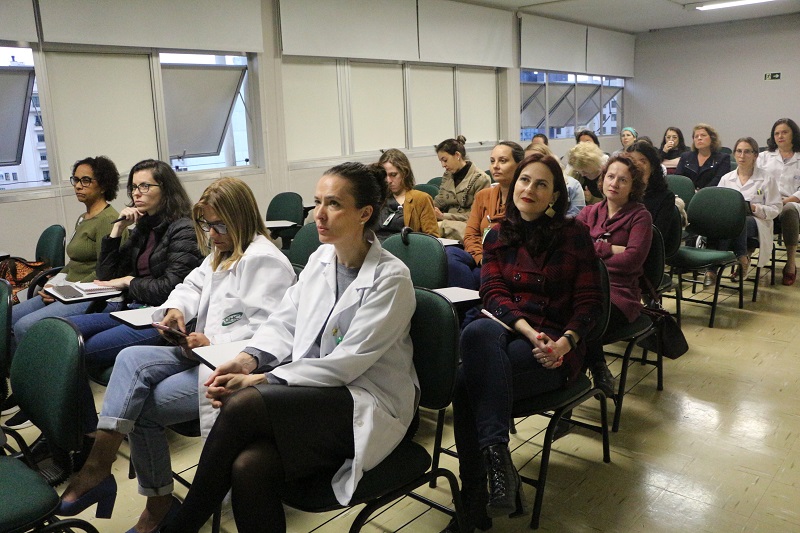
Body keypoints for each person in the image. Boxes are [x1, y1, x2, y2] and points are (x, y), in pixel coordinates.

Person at [158, 162, 418, 533]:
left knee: (244, 402)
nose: (319, 214)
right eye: (317, 201)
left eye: (333, 204)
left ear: (364, 213)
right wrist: (247, 360)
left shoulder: (391, 278)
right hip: (313, 397)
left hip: (365, 401)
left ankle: (181, 527)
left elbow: (345, 364)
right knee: (249, 465)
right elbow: (284, 320)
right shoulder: (321, 259)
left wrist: (263, 380)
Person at [55, 178, 296, 533]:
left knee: (142, 410)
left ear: (241, 219)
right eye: (207, 225)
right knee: (130, 357)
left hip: (234, 366)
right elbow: (190, 286)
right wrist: (176, 311)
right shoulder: (222, 250)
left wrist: (212, 339)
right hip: (204, 352)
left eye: (219, 226)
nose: (211, 234)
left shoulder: (264, 260)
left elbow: (270, 334)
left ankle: (154, 502)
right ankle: (100, 465)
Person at [443, 152, 602, 533]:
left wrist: (565, 342)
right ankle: (498, 463)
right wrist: (528, 330)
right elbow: (492, 292)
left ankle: (475, 497)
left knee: (465, 384)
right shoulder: (498, 233)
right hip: (513, 329)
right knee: (477, 332)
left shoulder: (574, 234)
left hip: (554, 348)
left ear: (555, 196)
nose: (529, 189)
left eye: (541, 184)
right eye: (525, 180)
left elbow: (590, 302)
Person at [4, 156, 121, 430]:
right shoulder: (85, 217)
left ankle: (38, 397)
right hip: (69, 289)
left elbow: (106, 272)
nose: (78, 186)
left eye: (86, 181)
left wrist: (64, 291)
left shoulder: (109, 220)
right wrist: (53, 284)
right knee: (9, 318)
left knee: (26, 327)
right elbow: (73, 264)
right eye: (75, 180)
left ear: (103, 184)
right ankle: (24, 391)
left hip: (91, 294)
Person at [67, 159, 204, 372]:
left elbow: (169, 289)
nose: (136, 193)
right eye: (133, 187)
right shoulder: (144, 226)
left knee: (79, 349)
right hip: (133, 310)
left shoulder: (183, 230)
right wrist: (118, 229)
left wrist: (129, 282)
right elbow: (106, 275)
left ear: (165, 190)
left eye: (144, 186)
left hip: (160, 318)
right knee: (64, 332)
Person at [577, 154, 653, 396]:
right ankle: (596, 367)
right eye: (610, 176)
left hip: (621, 295)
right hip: (585, 288)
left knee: (581, 319)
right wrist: (611, 249)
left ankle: (581, 380)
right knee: (567, 314)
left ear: (633, 186)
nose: (614, 183)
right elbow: (572, 250)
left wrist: (594, 250)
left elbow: (632, 260)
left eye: (623, 180)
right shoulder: (588, 213)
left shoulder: (640, 216)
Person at [703, 138, 781, 287]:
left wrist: (755, 208)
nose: (742, 155)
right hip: (729, 222)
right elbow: (717, 204)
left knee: (738, 220)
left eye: (747, 152)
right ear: (734, 154)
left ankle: (712, 269)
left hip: (756, 221)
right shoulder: (727, 179)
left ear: (755, 155)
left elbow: (776, 208)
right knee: (726, 221)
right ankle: (742, 257)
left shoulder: (767, 178)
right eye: (739, 151)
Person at [447, 141, 524, 289]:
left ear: (519, 165)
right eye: (492, 161)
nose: (495, 166)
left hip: (506, 259)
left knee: (477, 275)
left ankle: (473, 299)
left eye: (503, 161)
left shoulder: (525, 198)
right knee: (450, 254)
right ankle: (473, 297)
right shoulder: (483, 196)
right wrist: (480, 257)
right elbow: (471, 234)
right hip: (481, 256)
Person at [757, 118, 800, 285]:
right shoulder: (764, 157)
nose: (780, 136)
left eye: (784, 132)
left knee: (789, 210)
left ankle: (791, 263)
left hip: (793, 203)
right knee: (751, 210)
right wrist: (766, 198)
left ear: (793, 134)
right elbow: (756, 181)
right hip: (766, 200)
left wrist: (786, 200)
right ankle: (744, 259)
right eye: (776, 133)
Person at [433, 136, 491, 240]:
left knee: (437, 227)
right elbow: (440, 200)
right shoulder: (448, 175)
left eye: (445, 160)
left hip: (467, 225)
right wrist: (425, 208)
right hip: (447, 222)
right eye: (441, 161)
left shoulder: (481, 179)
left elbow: (476, 215)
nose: (443, 165)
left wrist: (443, 216)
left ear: (457, 155)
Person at [375, 148, 439, 239]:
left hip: (404, 246)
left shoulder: (421, 199)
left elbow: (432, 239)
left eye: (393, 175)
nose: (388, 180)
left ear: (404, 173)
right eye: (385, 175)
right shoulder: (377, 199)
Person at [626, 140, 676, 239]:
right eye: (632, 161)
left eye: (643, 161)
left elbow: (656, 236)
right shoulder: (622, 193)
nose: (637, 165)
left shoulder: (666, 197)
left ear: (652, 167)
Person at [526, 143, 585, 217]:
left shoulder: (572, 184)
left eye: (536, 159)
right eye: (527, 160)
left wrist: (557, 221)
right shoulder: (520, 185)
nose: (532, 164)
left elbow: (578, 212)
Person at [675, 123, 731, 190]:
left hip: (711, 193)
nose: (699, 138)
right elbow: (679, 178)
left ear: (712, 138)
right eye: (696, 136)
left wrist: (701, 193)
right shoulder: (685, 157)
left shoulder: (723, 158)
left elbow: (719, 180)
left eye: (703, 135)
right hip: (687, 193)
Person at [567, 141, 607, 205]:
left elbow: (611, 203)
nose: (582, 174)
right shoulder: (576, 172)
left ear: (593, 164)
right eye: (579, 171)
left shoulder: (607, 175)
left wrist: (592, 199)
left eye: (584, 171)